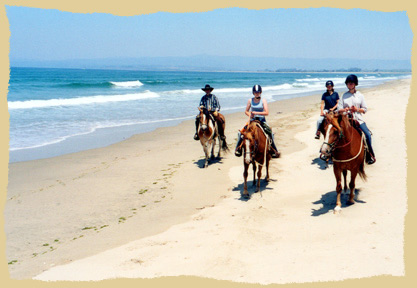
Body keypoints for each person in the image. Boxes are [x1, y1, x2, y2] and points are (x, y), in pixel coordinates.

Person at [338, 74, 376, 164]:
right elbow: (339, 110)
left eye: (352, 83)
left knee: (367, 135)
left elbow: (365, 109)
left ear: (355, 84)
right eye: (348, 83)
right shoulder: (343, 96)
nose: (350, 84)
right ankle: (332, 154)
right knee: (335, 134)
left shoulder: (360, 95)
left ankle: (369, 155)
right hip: (346, 119)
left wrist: (357, 109)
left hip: (358, 119)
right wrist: (345, 109)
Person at [235, 84, 280, 158]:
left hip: (261, 121)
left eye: (258, 92)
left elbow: (266, 113)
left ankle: (274, 150)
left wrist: (256, 113)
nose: (257, 93)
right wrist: (250, 114)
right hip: (252, 121)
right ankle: (238, 149)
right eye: (255, 92)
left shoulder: (263, 100)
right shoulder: (250, 100)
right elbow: (246, 111)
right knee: (241, 133)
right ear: (253, 93)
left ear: (260, 92)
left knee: (270, 133)